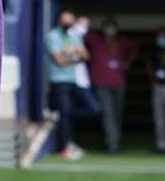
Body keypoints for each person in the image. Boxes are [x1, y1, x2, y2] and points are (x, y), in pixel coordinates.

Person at [85, 18, 136, 154]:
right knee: (108, 114)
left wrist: (128, 63)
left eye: (112, 26)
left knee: (117, 114)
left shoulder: (123, 42)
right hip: (101, 82)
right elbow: (80, 34)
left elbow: (136, 48)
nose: (109, 29)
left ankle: (114, 141)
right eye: (107, 27)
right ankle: (113, 145)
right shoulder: (96, 39)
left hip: (119, 83)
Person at [46, 9, 88, 160]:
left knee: (74, 112)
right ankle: (64, 147)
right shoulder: (53, 36)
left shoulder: (73, 36)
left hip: (73, 80)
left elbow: (85, 55)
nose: (68, 25)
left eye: (70, 22)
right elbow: (59, 61)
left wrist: (69, 53)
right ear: (59, 21)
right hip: (58, 81)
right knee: (64, 114)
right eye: (65, 22)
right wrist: (73, 55)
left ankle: (70, 143)